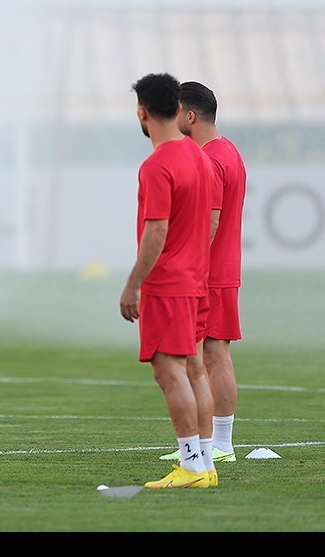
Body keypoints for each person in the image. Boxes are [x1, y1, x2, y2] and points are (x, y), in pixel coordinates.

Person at [120, 73, 216, 488]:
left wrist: (133, 284)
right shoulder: (198, 156)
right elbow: (211, 218)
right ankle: (206, 464)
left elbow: (156, 231)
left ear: (142, 113)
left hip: (168, 283)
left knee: (169, 371)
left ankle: (192, 466)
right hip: (196, 278)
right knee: (195, 369)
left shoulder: (157, 165)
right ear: (178, 110)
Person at [158, 81, 247, 464]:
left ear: (189, 116)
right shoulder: (229, 151)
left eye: (175, 111)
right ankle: (217, 442)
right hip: (222, 271)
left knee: (208, 357)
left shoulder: (208, 160)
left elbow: (208, 224)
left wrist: (181, 268)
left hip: (207, 275)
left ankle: (219, 444)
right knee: (213, 354)